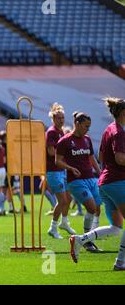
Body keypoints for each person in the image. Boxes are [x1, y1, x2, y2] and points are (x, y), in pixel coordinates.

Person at [69, 97, 125, 269]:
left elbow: (101, 157)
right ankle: (120, 263)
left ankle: (80, 239)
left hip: (105, 183)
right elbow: (120, 158)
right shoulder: (119, 132)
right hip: (117, 181)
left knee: (116, 227)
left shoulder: (109, 129)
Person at [55, 111, 102, 252]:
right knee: (92, 208)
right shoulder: (64, 141)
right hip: (75, 181)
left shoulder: (87, 139)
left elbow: (92, 158)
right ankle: (86, 241)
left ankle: (90, 238)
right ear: (77, 123)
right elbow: (57, 161)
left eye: (89, 127)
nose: (87, 129)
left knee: (97, 209)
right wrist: (70, 168)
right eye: (86, 126)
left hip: (91, 178)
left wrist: (100, 173)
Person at [45, 103, 76, 239]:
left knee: (68, 198)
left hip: (61, 169)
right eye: (59, 118)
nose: (61, 120)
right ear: (53, 119)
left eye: (63, 118)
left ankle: (64, 222)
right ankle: (53, 227)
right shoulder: (51, 132)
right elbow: (51, 152)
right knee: (62, 200)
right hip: (53, 170)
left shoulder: (60, 131)